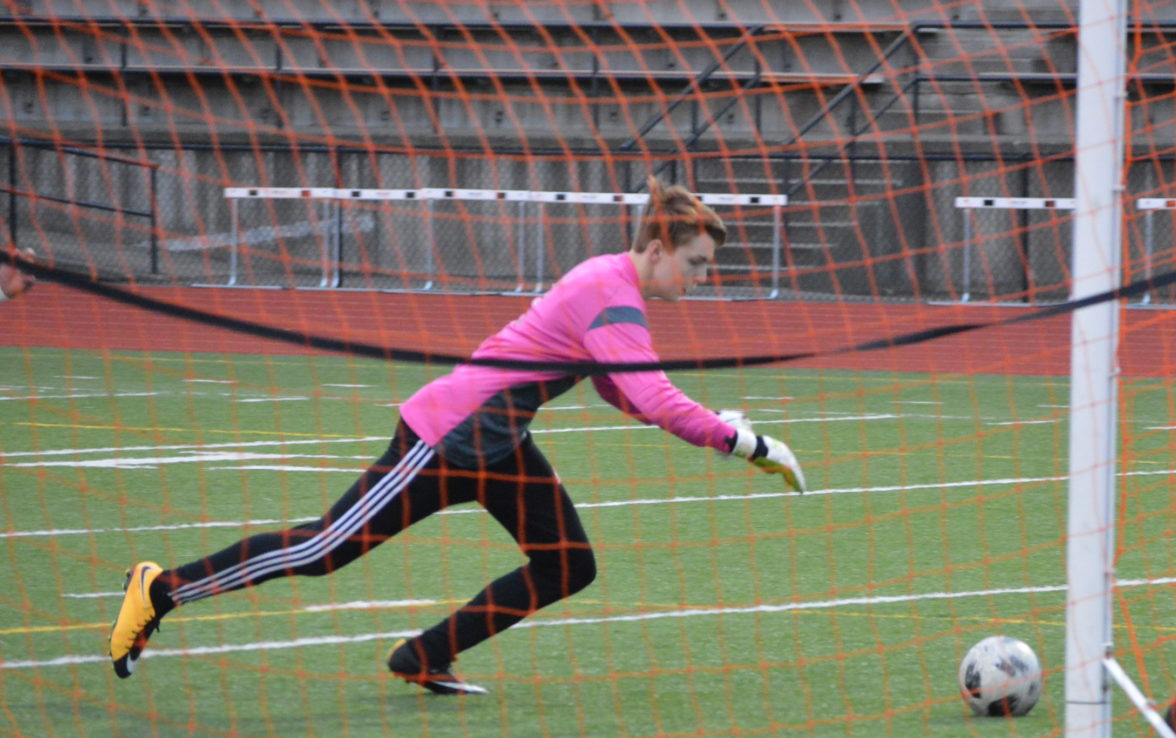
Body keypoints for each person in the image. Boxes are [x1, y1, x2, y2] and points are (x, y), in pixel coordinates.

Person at [107, 179, 806, 694]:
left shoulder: (612, 284)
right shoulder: (609, 291)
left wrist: (716, 426)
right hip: (446, 438)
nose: (702, 278)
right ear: (657, 249)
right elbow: (651, 394)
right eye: (697, 263)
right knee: (325, 549)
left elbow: (618, 387)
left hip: (498, 445)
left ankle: (425, 655)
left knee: (568, 564)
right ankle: (161, 589)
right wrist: (747, 445)